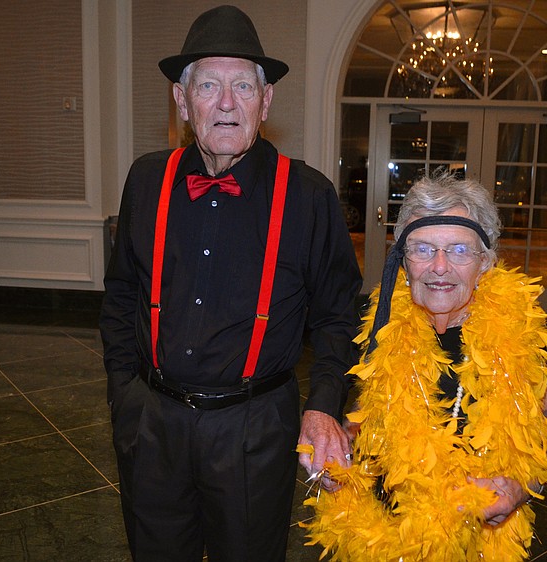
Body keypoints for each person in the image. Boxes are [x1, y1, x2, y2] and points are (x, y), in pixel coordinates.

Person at [99, 5, 362, 561]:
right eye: (208, 85)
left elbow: (338, 315)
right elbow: (121, 292)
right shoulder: (146, 180)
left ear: (265, 102)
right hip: (154, 422)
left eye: (242, 85)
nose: (225, 103)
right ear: (181, 100)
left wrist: (323, 405)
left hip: (255, 428)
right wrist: (126, 395)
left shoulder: (309, 195)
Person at [303, 172, 547, 561]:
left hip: (477, 541)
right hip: (388, 536)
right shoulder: (380, 327)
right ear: (403, 261)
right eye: (422, 249)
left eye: (459, 250)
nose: (439, 266)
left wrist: (521, 488)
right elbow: (367, 417)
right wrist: (340, 455)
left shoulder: (523, 340)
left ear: (485, 262)